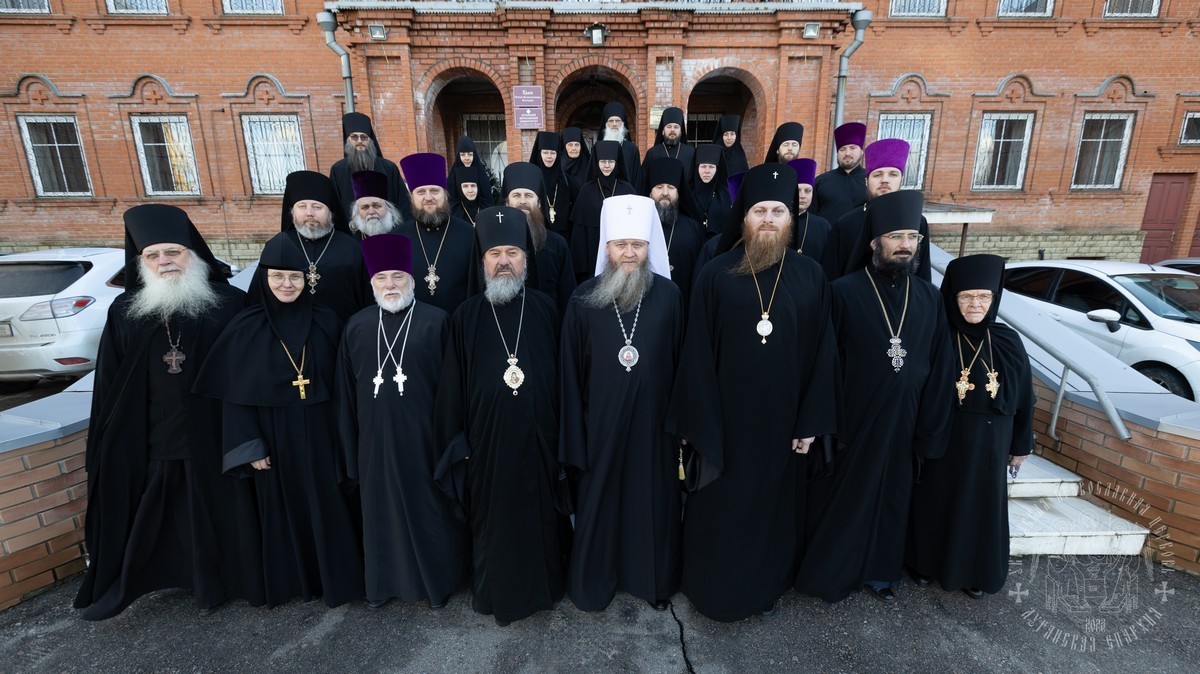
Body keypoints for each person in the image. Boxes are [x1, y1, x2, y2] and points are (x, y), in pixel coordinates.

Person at [667, 163, 839, 622]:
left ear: (790, 219)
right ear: (743, 216)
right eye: (759, 210)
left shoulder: (810, 276)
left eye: (777, 211)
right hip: (723, 423)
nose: (768, 219)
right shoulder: (715, 273)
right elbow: (696, 351)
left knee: (771, 509)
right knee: (719, 506)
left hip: (783, 425)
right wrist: (696, 422)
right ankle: (710, 588)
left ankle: (764, 587)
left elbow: (823, 353)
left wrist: (810, 422)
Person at [75, 204, 252, 621]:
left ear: (193, 254)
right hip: (155, 431)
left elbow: (249, 370)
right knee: (160, 511)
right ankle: (147, 579)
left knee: (223, 507)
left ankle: (228, 582)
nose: (164, 261)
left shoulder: (230, 302)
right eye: (152, 255)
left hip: (217, 428)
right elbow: (111, 382)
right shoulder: (125, 310)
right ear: (141, 262)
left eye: (173, 252)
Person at [796, 189, 953, 604]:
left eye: (912, 237)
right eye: (895, 236)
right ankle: (834, 575)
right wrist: (825, 422)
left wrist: (930, 426)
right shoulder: (842, 291)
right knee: (845, 499)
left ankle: (882, 572)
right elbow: (824, 361)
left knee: (893, 497)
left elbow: (940, 366)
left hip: (905, 421)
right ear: (873, 242)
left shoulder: (930, 298)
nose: (905, 245)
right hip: (853, 419)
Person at [193, 235, 364, 609]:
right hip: (273, 438)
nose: (287, 284)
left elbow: (346, 385)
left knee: (331, 503)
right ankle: (295, 582)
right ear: (264, 278)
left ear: (307, 280)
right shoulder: (245, 327)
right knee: (283, 510)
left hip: (324, 433)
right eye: (278, 277)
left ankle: (338, 580)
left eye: (295, 277)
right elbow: (235, 396)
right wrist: (250, 446)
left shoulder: (329, 321)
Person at [435, 206, 567, 626]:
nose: (504, 261)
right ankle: (494, 592)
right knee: (492, 521)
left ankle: (544, 589)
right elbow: (452, 390)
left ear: (526, 259)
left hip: (539, 439)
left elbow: (562, 379)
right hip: (486, 443)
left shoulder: (546, 309)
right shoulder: (465, 316)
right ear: (483, 263)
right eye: (495, 254)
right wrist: (458, 442)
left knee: (541, 517)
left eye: (513, 252)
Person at [560, 194, 683, 612]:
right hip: (599, 426)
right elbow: (570, 374)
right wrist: (575, 437)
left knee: (651, 503)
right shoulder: (583, 299)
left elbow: (682, 364)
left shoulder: (670, 296)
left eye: (638, 245)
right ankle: (596, 581)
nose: (629, 253)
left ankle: (651, 580)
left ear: (650, 247)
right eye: (620, 245)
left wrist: (679, 425)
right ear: (607, 247)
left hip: (654, 426)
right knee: (600, 502)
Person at [335, 233, 469, 609]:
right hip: (374, 444)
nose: (390, 284)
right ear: (372, 282)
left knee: (430, 512)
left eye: (397, 276)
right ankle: (384, 586)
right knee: (380, 513)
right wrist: (349, 447)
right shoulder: (356, 327)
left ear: (411, 279)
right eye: (381, 278)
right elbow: (345, 396)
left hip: (425, 441)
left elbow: (453, 390)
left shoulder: (437, 322)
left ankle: (436, 584)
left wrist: (452, 442)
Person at [905, 254, 1033, 598]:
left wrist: (1021, 445)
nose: (975, 303)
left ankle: (975, 572)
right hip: (946, 435)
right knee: (936, 501)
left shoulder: (1007, 340)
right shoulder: (937, 335)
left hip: (992, 442)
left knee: (980, 508)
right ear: (953, 297)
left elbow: (1025, 397)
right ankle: (924, 564)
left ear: (994, 298)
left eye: (983, 296)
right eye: (966, 296)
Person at [264, 170, 368, 324]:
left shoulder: (353, 249)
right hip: (290, 330)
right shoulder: (278, 246)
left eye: (317, 207)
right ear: (292, 212)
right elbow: (261, 297)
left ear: (330, 212)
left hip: (342, 331)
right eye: (302, 206)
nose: (309, 213)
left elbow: (366, 299)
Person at [825, 137, 932, 282]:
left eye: (893, 174)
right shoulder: (845, 223)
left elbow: (923, 276)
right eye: (878, 174)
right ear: (866, 181)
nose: (885, 180)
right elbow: (831, 275)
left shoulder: (918, 222)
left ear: (901, 179)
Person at [396, 152, 476, 314]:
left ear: (445, 195)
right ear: (411, 197)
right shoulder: (397, 238)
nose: (428, 197)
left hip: (458, 322)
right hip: (413, 324)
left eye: (434, 191)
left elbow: (475, 287)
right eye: (421, 192)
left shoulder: (469, 234)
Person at [502, 161, 577, 316]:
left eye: (529, 195)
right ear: (507, 202)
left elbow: (567, 298)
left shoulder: (557, 245)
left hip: (548, 324)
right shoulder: (494, 246)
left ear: (539, 202)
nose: (522, 201)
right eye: (516, 195)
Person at [643, 157, 707, 310]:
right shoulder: (639, 226)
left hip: (683, 303)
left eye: (671, 187)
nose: (665, 193)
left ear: (679, 193)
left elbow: (700, 275)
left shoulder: (694, 228)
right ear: (650, 192)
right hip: (646, 305)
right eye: (659, 187)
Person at [568, 140, 637, 282]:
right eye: (603, 162)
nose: (606, 166)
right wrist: (581, 265)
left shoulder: (626, 189)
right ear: (596, 163)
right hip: (592, 250)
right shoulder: (587, 190)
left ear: (617, 163)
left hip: (621, 249)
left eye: (610, 162)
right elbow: (579, 232)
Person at [329, 112, 411, 224]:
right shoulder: (338, 170)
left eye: (364, 137)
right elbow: (335, 207)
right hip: (351, 232)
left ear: (370, 140)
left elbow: (403, 204)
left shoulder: (388, 167)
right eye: (354, 137)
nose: (359, 141)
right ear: (347, 140)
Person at [810, 122, 867, 223]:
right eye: (842, 149)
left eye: (853, 148)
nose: (847, 153)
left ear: (862, 151)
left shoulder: (871, 180)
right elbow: (811, 218)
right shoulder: (820, 181)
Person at [786, 158, 832, 264]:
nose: (802, 196)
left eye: (807, 191)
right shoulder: (776, 222)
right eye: (798, 190)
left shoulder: (823, 227)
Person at [529, 131, 573, 238]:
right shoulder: (531, 180)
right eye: (545, 152)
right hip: (538, 234)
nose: (549, 156)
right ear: (539, 154)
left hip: (563, 236)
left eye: (553, 153)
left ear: (558, 155)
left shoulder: (566, 180)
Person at [690, 144, 733, 238]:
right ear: (696, 168)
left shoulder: (726, 194)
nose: (707, 171)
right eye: (703, 166)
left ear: (718, 169)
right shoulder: (688, 193)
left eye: (711, 167)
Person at [348, 170, 405, 239]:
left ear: (389, 208)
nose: (371, 212)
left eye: (376, 206)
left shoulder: (401, 236)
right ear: (357, 212)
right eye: (365, 207)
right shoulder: (352, 242)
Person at [447, 136, 495, 211]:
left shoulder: (481, 174)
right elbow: (451, 199)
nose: (466, 158)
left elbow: (486, 197)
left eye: (470, 154)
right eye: (463, 154)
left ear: (474, 155)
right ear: (459, 156)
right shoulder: (452, 176)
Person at [601, 101, 643, 188]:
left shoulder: (632, 149)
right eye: (611, 121)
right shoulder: (598, 148)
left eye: (618, 121)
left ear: (623, 124)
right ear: (606, 124)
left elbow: (637, 178)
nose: (614, 124)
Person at [643, 106, 695, 170]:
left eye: (676, 127)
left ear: (681, 131)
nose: (672, 130)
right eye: (669, 127)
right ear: (663, 131)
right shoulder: (652, 153)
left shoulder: (690, 153)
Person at [561, 126, 591, 197]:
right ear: (565, 146)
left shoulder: (587, 163)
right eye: (570, 145)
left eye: (577, 145)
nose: (574, 148)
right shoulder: (558, 163)